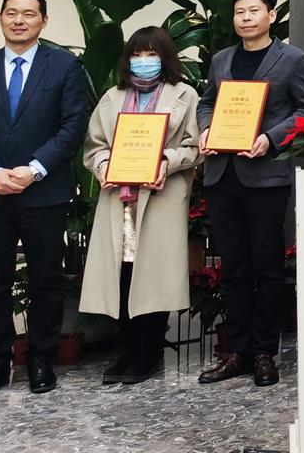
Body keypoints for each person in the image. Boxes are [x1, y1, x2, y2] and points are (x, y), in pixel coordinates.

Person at [0, 0, 87, 398]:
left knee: (46, 280)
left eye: (29, 14)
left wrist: (34, 169)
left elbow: (72, 125)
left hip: (43, 192)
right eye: (11, 13)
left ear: (43, 21)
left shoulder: (65, 66)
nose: (19, 20)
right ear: (0, 17)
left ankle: (41, 358)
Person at [195, 0, 304, 387]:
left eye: (254, 10)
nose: (246, 17)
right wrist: (205, 128)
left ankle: (266, 352)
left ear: (271, 15)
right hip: (223, 175)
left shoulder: (292, 59)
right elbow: (207, 102)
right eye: (240, 12)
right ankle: (238, 352)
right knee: (232, 268)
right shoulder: (221, 59)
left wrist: (270, 138)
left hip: (266, 176)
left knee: (267, 268)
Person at [79, 26, 202, 385]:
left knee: (154, 276)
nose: (144, 61)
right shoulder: (113, 97)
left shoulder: (185, 95)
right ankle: (128, 349)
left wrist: (166, 160)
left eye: (151, 54)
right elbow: (95, 145)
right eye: (137, 54)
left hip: (161, 197)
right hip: (119, 199)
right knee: (122, 274)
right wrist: (104, 165)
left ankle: (149, 351)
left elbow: (195, 147)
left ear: (165, 58)